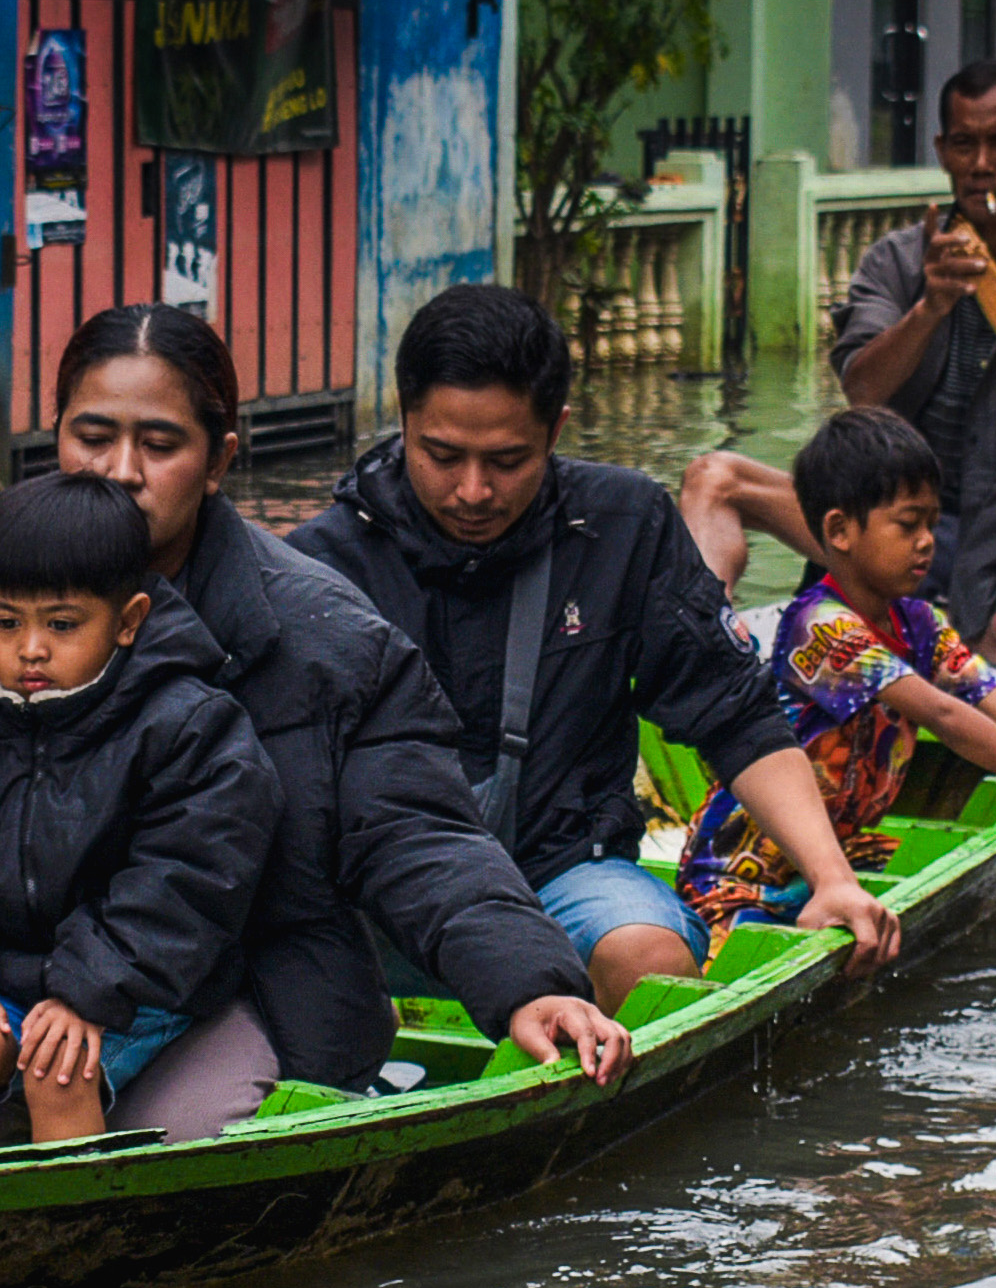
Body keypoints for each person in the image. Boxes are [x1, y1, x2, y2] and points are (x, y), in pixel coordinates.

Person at [0, 304, 624, 1132]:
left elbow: (413, 831)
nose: (120, 471)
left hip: (231, 975)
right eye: (91, 437)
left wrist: (530, 982)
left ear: (218, 459)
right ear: (53, 438)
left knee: (175, 1145)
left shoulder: (319, 635)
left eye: (159, 445)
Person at [295, 286, 903, 1015]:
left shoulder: (622, 524)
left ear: (556, 430)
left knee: (649, 959)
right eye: (442, 455)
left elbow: (735, 714)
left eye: (507, 460)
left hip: (559, 875)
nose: (472, 491)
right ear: (403, 419)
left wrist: (832, 879)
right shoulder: (319, 564)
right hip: (380, 894)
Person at [676, 59, 996, 678]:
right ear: (943, 151)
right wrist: (931, 307)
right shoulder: (896, 261)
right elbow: (862, 387)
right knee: (714, 477)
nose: (980, 164)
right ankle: (703, 655)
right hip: (881, 525)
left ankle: (924, 635)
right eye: (964, 144)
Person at [0, 474, 281, 1158]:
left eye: (62, 624)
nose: (31, 649)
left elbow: (189, 881)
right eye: (6, 621)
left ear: (128, 620)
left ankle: (69, 1242)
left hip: (137, 988)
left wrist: (85, 993)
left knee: (57, 1068)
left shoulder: (191, 725)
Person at [677, 408, 996, 937]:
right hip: (745, 870)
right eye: (907, 524)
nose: (927, 541)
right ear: (839, 531)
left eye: (931, 523)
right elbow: (945, 714)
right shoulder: (823, 626)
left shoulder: (919, 621)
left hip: (845, 852)